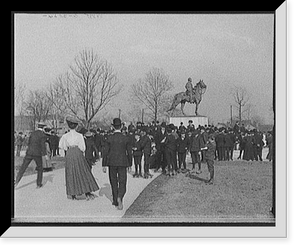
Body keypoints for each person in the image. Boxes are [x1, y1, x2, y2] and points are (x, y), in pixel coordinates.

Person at [59, 117, 99, 200]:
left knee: (71, 172)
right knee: (82, 171)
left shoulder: (65, 136)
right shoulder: (80, 135)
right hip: (78, 153)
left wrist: (67, 152)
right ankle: (86, 190)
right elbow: (83, 147)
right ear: (76, 126)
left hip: (69, 153)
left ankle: (73, 193)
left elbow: (62, 147)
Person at [102, 118, 132, 210]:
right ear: (122, 126)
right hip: (123, 163)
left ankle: (115, 200)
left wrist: (104, 164)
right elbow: (129, 152)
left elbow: (105, 152)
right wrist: (130, 164)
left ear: (113, 126)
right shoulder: (126, 138)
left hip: (112, 163)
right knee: (122, 181)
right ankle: (120, 197)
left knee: (113, 181)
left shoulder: (109, 138)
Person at [15, 122, 48, 188]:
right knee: (40, 168)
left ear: (38, 126)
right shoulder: (43, 135)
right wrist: (45, 154)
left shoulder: (33, 133)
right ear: (43, 127)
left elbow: (28, 142)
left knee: (23, 167)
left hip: (29, 152)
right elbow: (42, 145)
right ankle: (38, 184)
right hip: (37, 154)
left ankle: (16, 181)